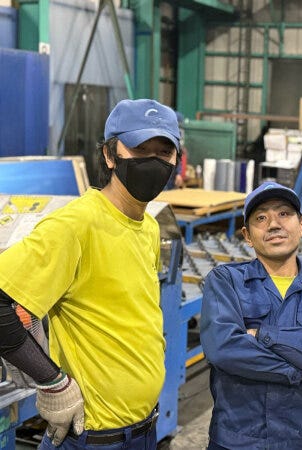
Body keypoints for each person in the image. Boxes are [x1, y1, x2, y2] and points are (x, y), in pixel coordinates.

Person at [0, 98, 181, 449]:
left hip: (144, 431)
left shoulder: (148, 227)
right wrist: (52, 381)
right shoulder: (75, 225)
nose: (153, 161)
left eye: (164, 152)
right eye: (140, 149)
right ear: (110, 155)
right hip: (92, 438)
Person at [200, 181, 302, 450]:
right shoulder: (226, 281)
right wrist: (298, 370)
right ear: (248, 236)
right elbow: (223, 348)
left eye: (284, 213)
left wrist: (263, 334)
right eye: (261, 218)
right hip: (239, 441)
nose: (273, 224)